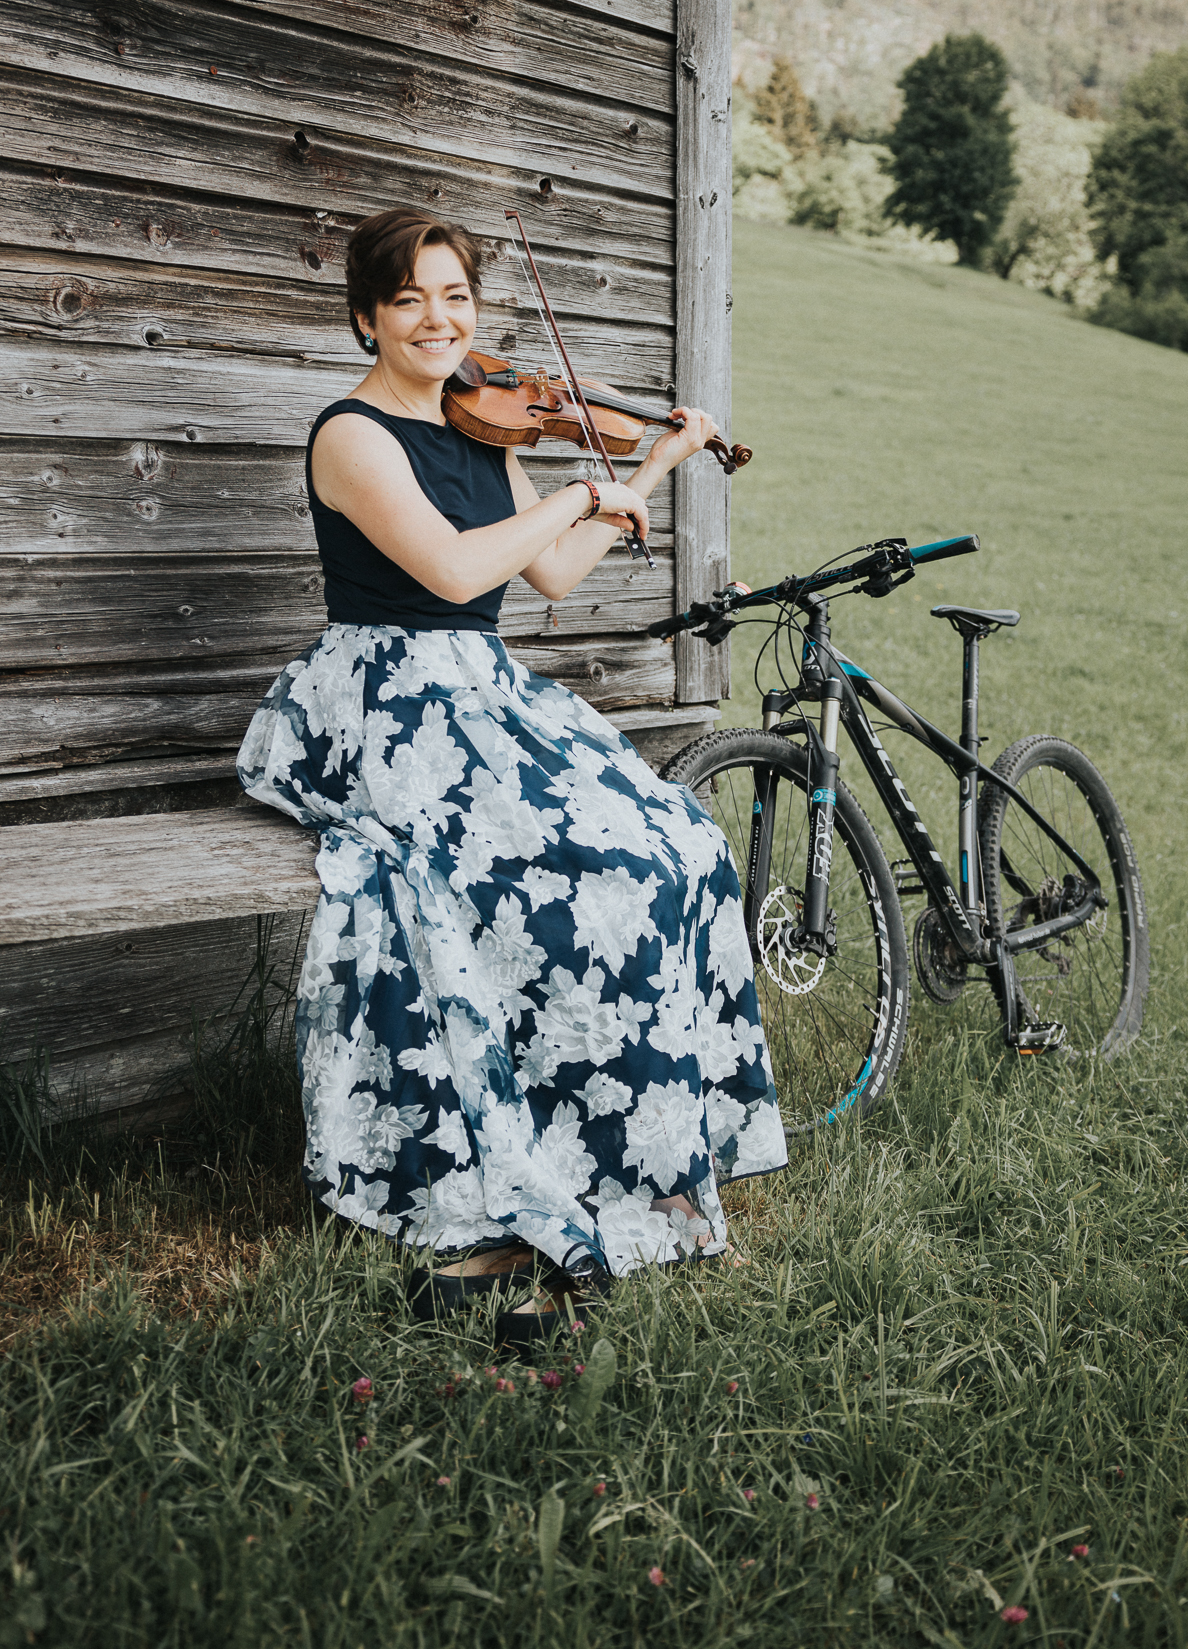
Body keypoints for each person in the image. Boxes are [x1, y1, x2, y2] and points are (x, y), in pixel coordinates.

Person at [238, 206, 786, 1324]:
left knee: (678, 842)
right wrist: (585, 489)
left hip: (482, 689)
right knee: (579, 874)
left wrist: (656, 459)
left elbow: (546, 579)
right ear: (365, 317)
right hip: (387, 697)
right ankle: (535, 1160)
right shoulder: (351, 435)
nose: (440, 320)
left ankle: (655, 1158)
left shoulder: (482, 425)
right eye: (410, 299)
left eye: (455, 296)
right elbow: (446, 574)